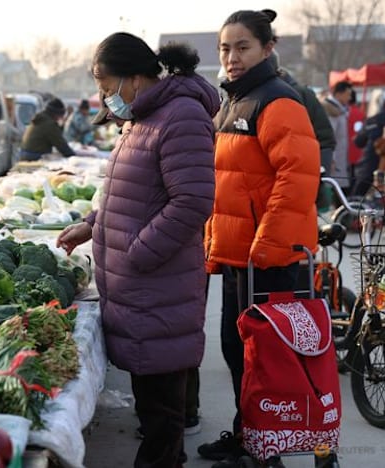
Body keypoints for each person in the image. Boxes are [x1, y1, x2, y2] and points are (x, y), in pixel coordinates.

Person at [56, 32, 217, 468]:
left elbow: (194, 201)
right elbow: (128, 193)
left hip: (157, 285)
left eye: (106, 84)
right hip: (144, 286)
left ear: (134, 76)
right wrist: (91, 225)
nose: (104, 94)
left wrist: (137, 252)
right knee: (154, 408)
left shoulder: (180, 115)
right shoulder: (141, 118)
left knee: (163, 416)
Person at [200, 9, 321, 468]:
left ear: (268, 48)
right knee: (238, 351)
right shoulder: (233, 101)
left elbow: (298, 179)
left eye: (242, 47)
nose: (231, 57)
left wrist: (267, 245)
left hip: (266, 259)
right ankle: (249, 435)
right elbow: (230, 183)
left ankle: (265, 451)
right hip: (239, 257)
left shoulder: (278, 101)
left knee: (265, 360)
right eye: (225, 48)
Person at [352, 92, 385, 197]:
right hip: (377, 168)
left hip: (368, 167)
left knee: (357, 199)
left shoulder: (372, 120)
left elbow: (359, 142)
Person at [321, 80, 353, 188]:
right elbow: (330, 136)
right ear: (339, 93)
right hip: (334, 158)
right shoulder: (331, 110)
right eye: (347, 94)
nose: (349, 98)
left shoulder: (339, 109)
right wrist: (331, 159)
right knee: (333, 187)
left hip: (339, 156)